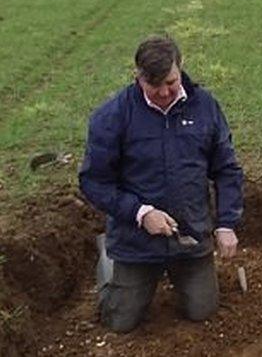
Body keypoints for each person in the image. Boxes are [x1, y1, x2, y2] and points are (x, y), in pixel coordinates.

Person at [79, 36, 244, 333]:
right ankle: (108, 262)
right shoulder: (112, 116)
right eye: (155, 87)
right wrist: (141, 213)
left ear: (180, 68)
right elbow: (93, 181)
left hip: (190, 235)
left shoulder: (204, 107)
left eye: (171, 81)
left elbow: (227, 168)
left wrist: (226, 222)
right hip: (136, 241)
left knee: (201, 310)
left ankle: (183, 276)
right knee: (120, 321)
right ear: (138, 78)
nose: (165, 92)